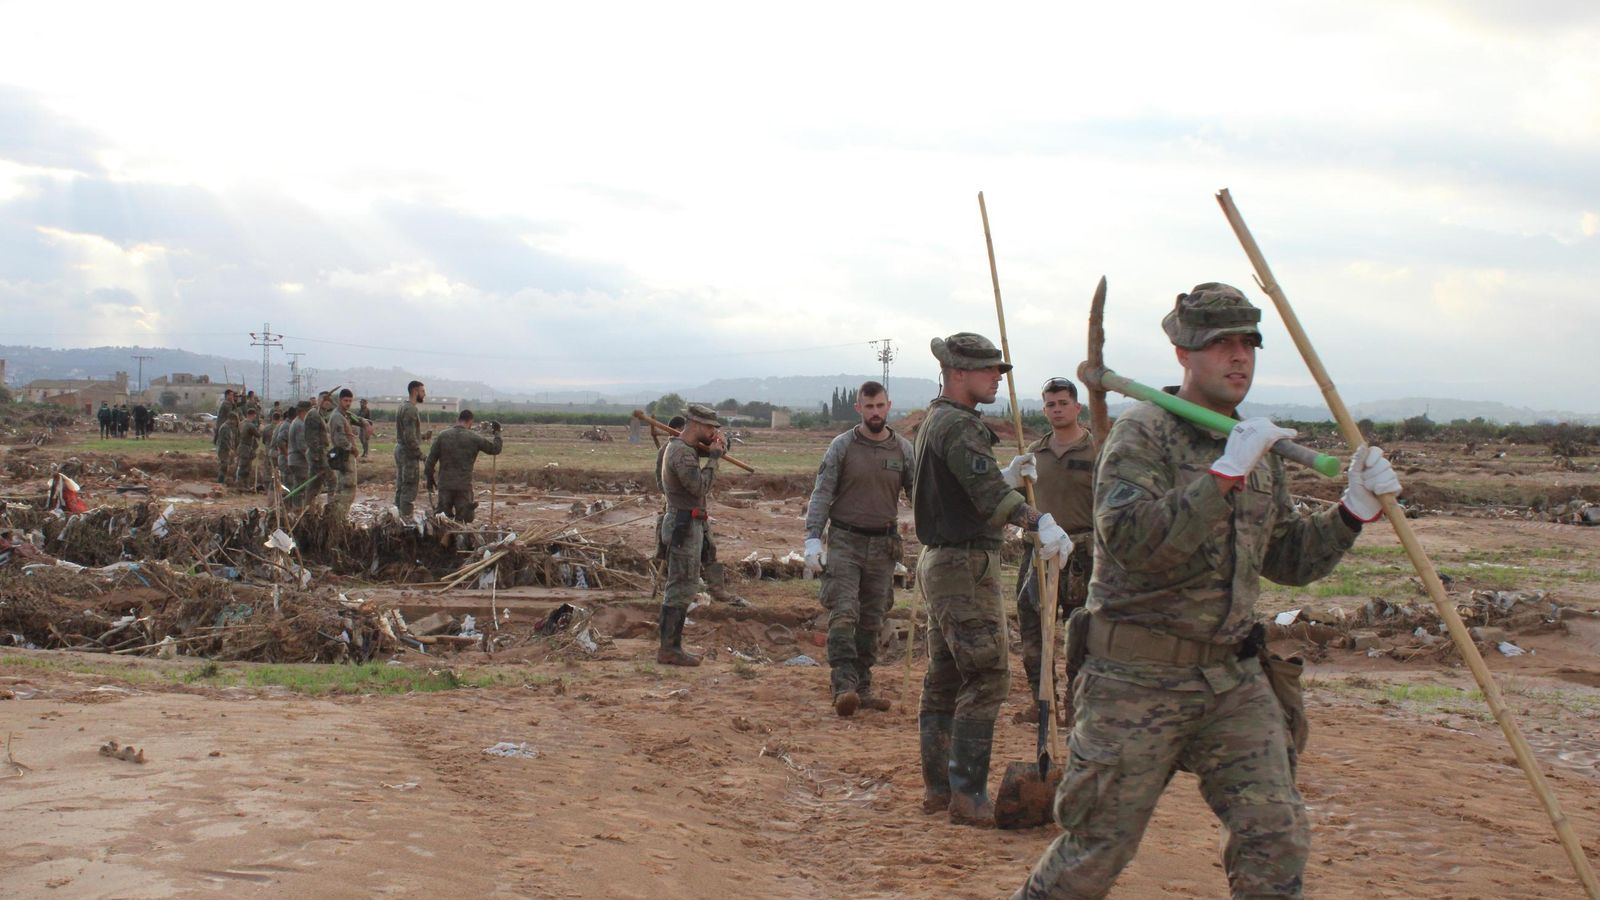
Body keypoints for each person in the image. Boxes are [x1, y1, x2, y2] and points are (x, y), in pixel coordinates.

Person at [1014, 284, 1401, 899]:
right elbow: (1133, 542)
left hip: (1232, 679)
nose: (1239, 356)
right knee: (1095, 848)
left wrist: (1352, 511)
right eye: (1221, 344)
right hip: (1135, 678)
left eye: (1248, 343)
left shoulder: (1257, 446)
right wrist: (1221, 478)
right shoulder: (1143, 435)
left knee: (1275, 835)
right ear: (1183, 354)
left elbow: (1286, 558)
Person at [913, 332, 1072, 828]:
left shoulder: (938, 419)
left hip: (941, 560)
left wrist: (1003, 477)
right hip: (963, 567)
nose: (997, 379)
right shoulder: (960, 425)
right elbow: (985, 495)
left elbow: (962, 488)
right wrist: (1037, 521)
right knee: (986, 676)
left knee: (945, 677)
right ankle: (967, 796)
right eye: (988, 371)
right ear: (958, 372)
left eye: (999, 371)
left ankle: (940, 790)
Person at [803, 380, 913, 716]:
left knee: (872, 618)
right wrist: (812, 537)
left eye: (880, 406)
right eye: (869, 407)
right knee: (844, 611)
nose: (875, 412)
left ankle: (863, 687)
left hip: (884, 546)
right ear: (859, 409)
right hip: (845, 542)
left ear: (888, 406)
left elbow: (921, 494)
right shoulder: (842, 446)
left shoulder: (903, 450)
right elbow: (822, 492)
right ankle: (843, 685)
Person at [1006, 377, 1099, 725]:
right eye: (1050, 404)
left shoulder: (1096, 450)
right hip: (1040, 552)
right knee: (1033, 629)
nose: (1057, 409)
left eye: (1063, 403)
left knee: (1080, 633)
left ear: (1077, 407)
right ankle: (1042, 700)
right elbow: (1017, 500)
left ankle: (1076, 705)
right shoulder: (1034, 452)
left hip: (1082, 554)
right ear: (1044, 409)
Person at [654, 404, 728, 667]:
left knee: (684, 585)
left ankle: (671, 647)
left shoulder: (684, 448)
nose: (712, 432)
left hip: (687, 522)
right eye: (710, 427)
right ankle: (669, 649)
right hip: (683, 525)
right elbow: (699, 487)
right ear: (695, 424)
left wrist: (718, 448)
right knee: (681, 586)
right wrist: (714, 459)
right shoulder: (681, 453)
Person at [424, 409, 502, 522]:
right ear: (470, 422)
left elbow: (430, 461)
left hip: (445, 485)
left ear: (458, 420)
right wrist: (497, 433)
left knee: (442, 519)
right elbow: (495, 449)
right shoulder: (474, 438)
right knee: (465, 519)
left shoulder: (442, 436)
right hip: (463, 486)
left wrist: (430, 479)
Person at [326, 389, 360, 519]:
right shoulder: (337, 417)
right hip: (344, 456)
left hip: (345, 455)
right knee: (348, 488)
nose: (348, 403)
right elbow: (340, 439)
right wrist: (352, 449)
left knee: (342, 489)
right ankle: (338, 518)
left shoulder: (343, 415)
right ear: (340, 400)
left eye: (350, 401)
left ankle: (335, 518)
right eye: (346, 400)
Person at [395, 381, 425, 517]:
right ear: (415, 391)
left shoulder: (402, 406)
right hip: (408, 454)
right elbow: (409, 437)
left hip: (401, 450)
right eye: (422, 391)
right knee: (409, 488)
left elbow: (407, 433)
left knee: (401, 486)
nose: (424, 394)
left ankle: (397, 517)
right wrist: (420, 454)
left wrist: (422, 436)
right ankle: (405, 519)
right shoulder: (411, 410)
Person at [303, 394, 331, 508]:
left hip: (320, 453)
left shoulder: (320, 414)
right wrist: (318, 455)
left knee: (315, 485)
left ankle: (308, 509)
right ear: (320, 400)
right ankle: (332, 510)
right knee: (333, 481)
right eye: (325, 400)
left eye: (329, 401)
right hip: (318, 454)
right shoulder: (313, 415)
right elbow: (312, 437)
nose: (328, 403)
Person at [286, 402, 311, 506]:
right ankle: (298, 508)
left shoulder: (296, 422)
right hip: (299, 461)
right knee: (302, 487)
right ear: (304, 412)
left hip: (294, 460)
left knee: (298, 485)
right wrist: (311, 460)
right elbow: (302, 446)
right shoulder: (300, 424)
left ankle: (295, 508)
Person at [234, 408, 261, 490]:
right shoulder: (250, 425)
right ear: (253, 415)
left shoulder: (241, 423)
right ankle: (240, 484)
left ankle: (244, 485)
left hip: (240, 446)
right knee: (244, 466)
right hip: (246, 447)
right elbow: (258, 435)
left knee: (242, 466)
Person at [215, 411, 239, 484]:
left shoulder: (228, 427)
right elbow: (224, 440)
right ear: (231, 419)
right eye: (235, 420)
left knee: (225, 466)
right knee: (224, 466)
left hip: (225, 450)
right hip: (223, 450)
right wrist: (230, 449)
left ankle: (222, 481)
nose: (235, 422)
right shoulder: (225, 428)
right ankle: (220, 482)